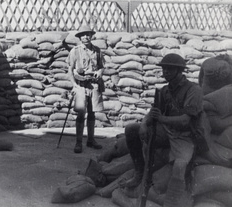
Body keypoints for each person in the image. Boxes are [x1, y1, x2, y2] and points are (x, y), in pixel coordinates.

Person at [122, 53, 209, 207]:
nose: (165, 72)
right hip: (166, 131)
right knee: (131, 129)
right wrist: (143, 124)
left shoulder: (193, 90)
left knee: (180, 165)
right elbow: (154, 111)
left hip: (185, 135)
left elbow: (185, 120)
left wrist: (161, 119)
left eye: (170, 69)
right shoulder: (164, 90)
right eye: (164, 68)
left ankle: (173, 201)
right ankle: (139, 171)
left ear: (179, 71)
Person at [67, 25, 105, 153]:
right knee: (81, 113)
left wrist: (100, 72)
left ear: (91, 35)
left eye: (88, 34)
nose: (86, 37)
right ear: (79, 37)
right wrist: (74, 85)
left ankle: (91, 139)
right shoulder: (75, 51)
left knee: (92, 112)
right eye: (83, 35)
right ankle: (78, 142)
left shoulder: (97, 50)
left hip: (94, 85)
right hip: (81, 85)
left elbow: (101, 66)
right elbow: (70, 69)